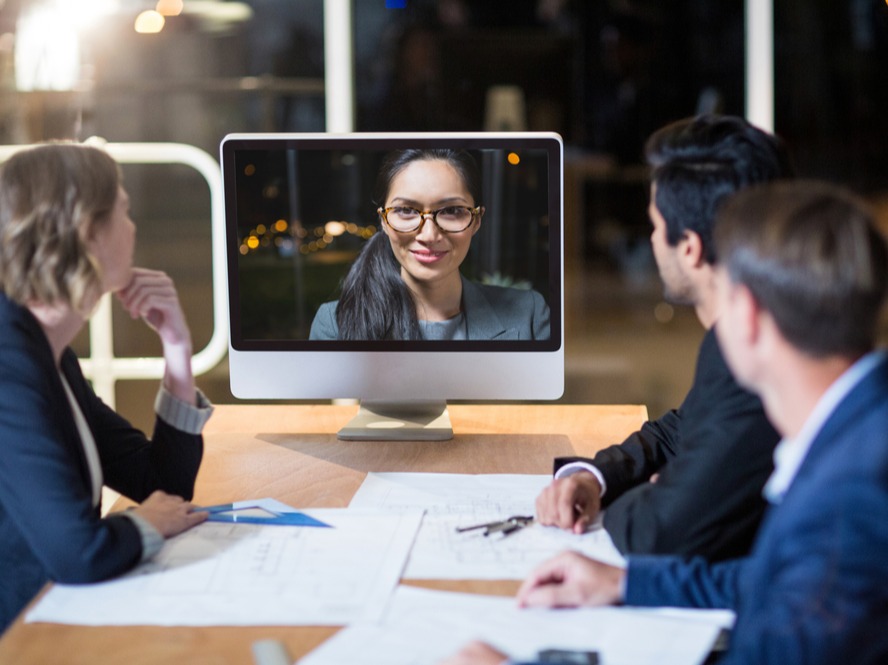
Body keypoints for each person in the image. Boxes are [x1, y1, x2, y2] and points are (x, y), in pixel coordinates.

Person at [443, 180, 888, 665]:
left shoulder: (849, 499)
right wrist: (627, 583)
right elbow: (774, 581)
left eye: (724, 295)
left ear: (751, 319)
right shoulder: (855, 426)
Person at [536, 114, 793, 561]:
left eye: (655, 226)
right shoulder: (748, 330)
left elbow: (658, 533)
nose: (653, 240)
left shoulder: (759, 362)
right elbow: (683, 428)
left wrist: (656, 495)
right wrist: (594, 477)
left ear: (689, 248)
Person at [0, 143, 213, 632]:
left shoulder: (48, 353)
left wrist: (177, 347)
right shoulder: (10, 367)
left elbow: (164, 489)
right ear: (88, 233)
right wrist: (148, 523)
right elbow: (79, 554)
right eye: (123, 210)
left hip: (54, 617)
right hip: (22, 638)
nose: (133, 227)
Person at [309, 148, 550, 341]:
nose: (428, 234)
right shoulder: (335, 323)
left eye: (451, 211)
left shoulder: (528, 314)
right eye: (405, 210)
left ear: (476, 220)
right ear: (384, 219)